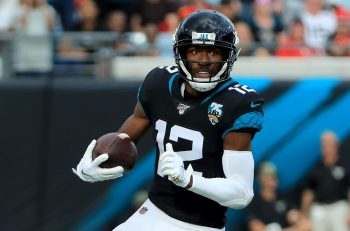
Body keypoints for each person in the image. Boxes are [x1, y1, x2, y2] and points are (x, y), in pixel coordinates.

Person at [73, 10, 264, 231]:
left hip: (201, 226)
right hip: (153, 211)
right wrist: (98, 164)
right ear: (180, 52)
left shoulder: (238, 102)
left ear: (228, 55)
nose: (203, 61)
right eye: (194, 51)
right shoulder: (159, 83)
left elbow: (242, 194)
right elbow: (123, 140)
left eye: (213, 52)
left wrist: (188, 180)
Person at [301, 130, 350, 231]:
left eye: (329, 144)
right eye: (324, 145)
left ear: (336, 146)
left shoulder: (345, 165)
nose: (327, 148)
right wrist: (304, 215)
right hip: (320, 207)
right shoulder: (316, 169)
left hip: (339, 206)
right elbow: (309, 192)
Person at [246, 162, 311, 231]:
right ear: (260, 179)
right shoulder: (254, 202)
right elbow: (256, 227)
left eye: (274, 175)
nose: (273, 178)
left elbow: (305, 224)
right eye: (268, 176)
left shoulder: (284, 198)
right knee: (273, 227)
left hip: (287, 227)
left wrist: (296, 219)